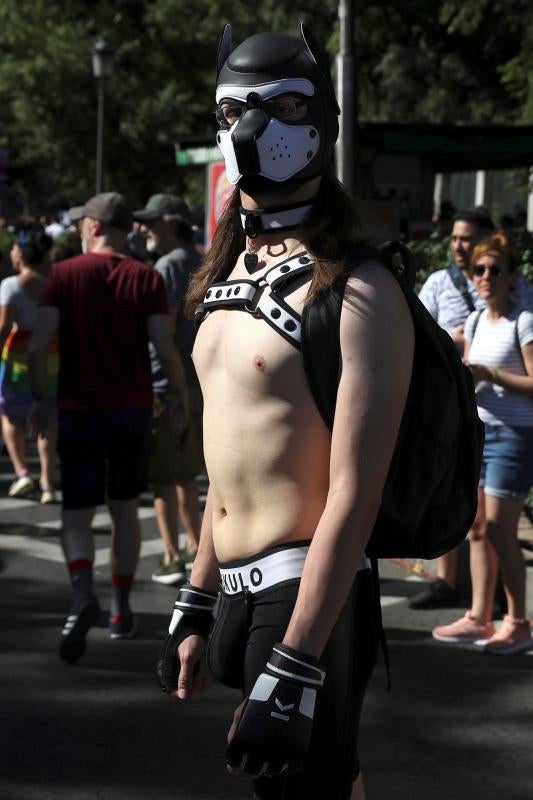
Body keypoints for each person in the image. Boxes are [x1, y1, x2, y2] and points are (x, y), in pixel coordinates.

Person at [156, 25, 414, 800]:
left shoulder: (359, 291)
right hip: (233, 587)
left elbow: (354, 493)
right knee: (327, 781)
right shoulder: (222, 275)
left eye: (279, 107)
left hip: (307, 596)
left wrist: (299, 657)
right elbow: (226, 459)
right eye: (232, 108)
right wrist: (197, 596)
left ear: (320, 123)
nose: (248, 130)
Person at [27, 191, 187, 662]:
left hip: (79, 411)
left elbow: (38, 347)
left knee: (76, 513)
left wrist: (41, 399)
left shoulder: (64, 276)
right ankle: (120, 608)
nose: (78, 230)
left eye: (81, 224)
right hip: (131, 410)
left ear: (95, 227)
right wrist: (180, 396)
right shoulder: (145, 278)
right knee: (123, 511)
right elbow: (164, 345)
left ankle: (82, 596)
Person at [412, 209, 533, 609]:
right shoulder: (470, 311)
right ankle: (477, 611)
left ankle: (512, 615)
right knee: (475, 523)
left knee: (498, 529)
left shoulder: (522, 310)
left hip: (510, 431)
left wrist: (490, 373)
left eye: (493, 269)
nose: (484, 275)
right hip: (468, 419)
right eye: (456, 240)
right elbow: (422, 335)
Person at [133, 194, 203, 585]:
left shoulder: (165, 267)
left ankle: (171, 555)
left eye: (152, 221)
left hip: (168, 386)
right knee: (187, 473)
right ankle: (193, 545)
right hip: (196, 382)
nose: (143, 228)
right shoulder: (202, 259)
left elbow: (164, 334)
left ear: (172, 223)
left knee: (163, 476)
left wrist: (174, 391)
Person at [0, 227, 58, 502]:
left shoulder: (11, 285)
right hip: (52, 354)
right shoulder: (53, 282)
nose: (11, 253)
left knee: (11, 413)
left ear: (21, 253)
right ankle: (48, 482)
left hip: (18, 357)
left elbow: (3, 327)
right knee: (47, 418)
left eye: (13, 248)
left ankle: (23, 471)